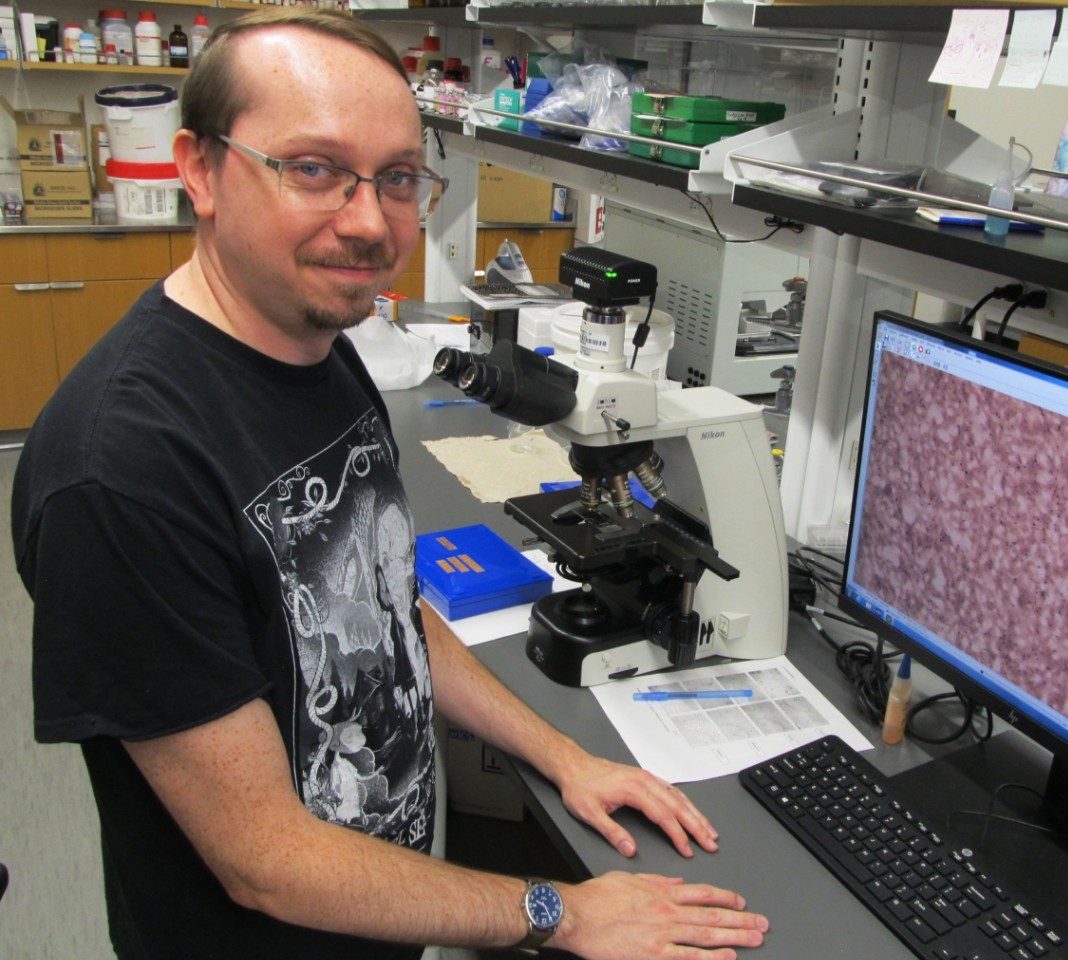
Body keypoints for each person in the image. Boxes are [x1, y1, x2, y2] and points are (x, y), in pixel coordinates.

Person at [9, 10, 769, 960]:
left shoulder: (316, 347)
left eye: (398, 178)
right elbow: (268, 861)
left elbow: (388, 604)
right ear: (198, 171)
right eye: (314, 168)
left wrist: (562, 754)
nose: (370, 222)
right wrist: (561, 913)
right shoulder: (120, 472)